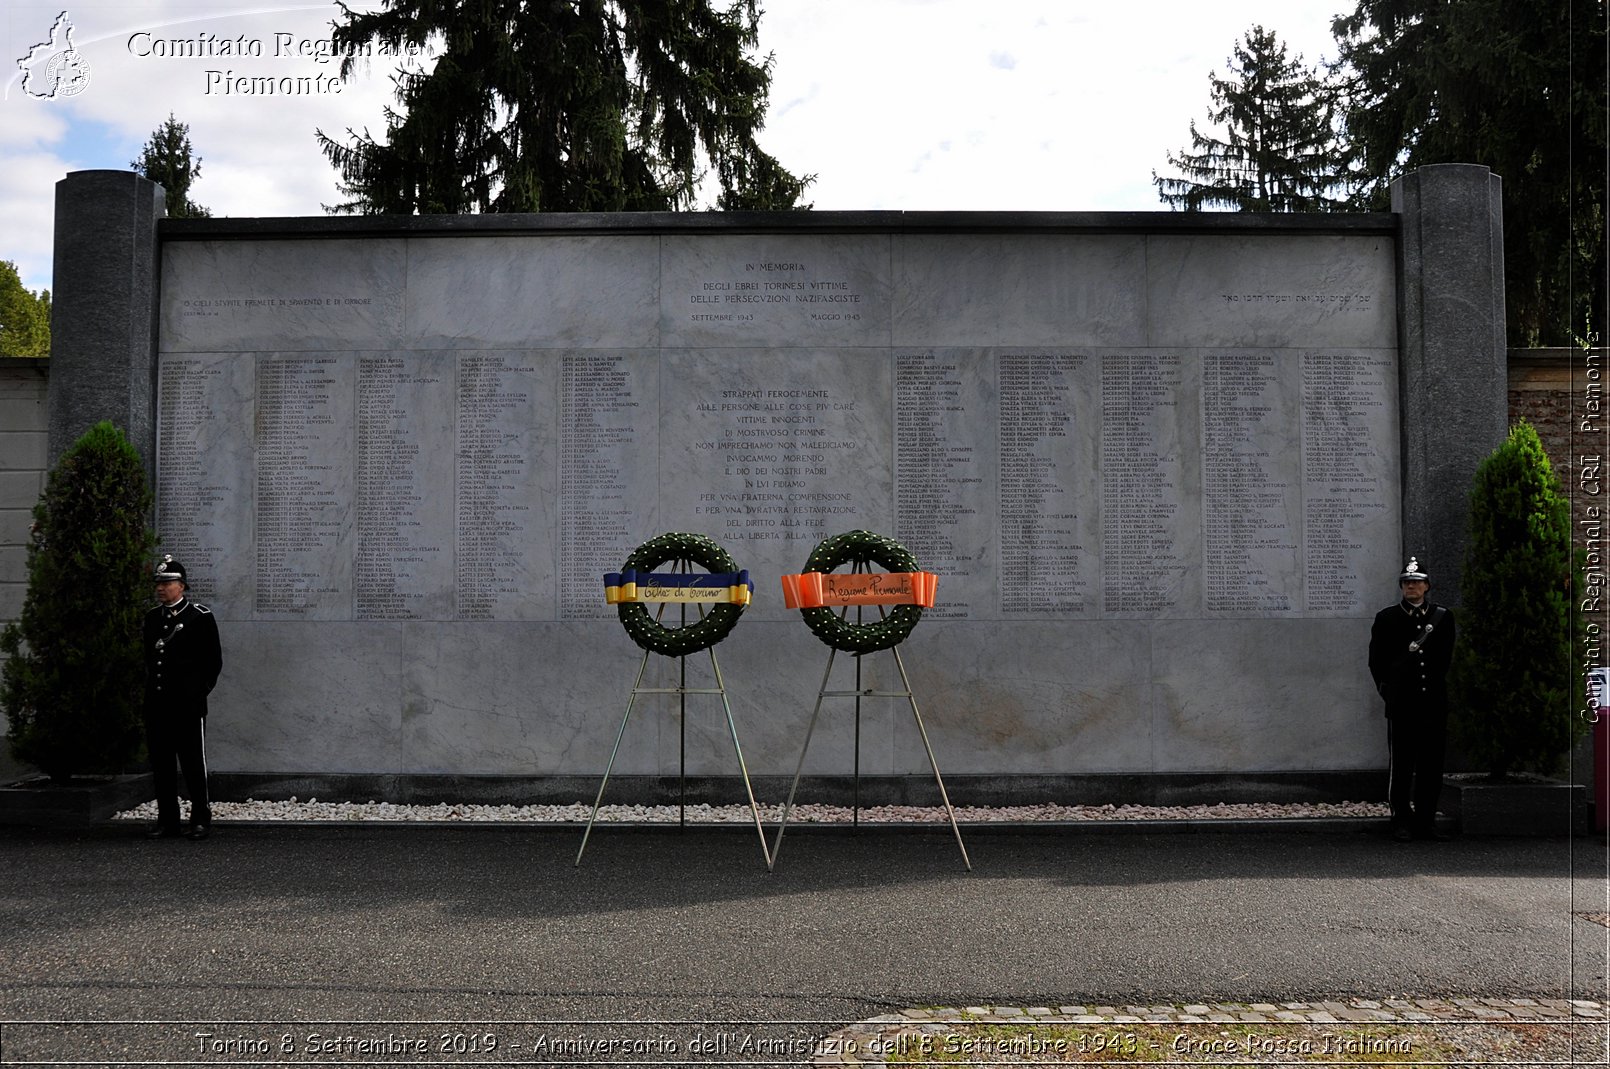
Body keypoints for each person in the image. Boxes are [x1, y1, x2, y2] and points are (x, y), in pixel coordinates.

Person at [1368, 557, 1455, 842]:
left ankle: (1426, 821)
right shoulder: (1387, 618)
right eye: (1407, 583)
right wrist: (1389, 691)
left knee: (1431, 764)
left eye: (1417, 582)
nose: (1412, 587)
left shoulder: (1443, 617)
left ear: (1427, 586)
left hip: (1432, 702)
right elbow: (1377, 661)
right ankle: (1401, 819)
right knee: (1402, 764)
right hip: (1402, 704)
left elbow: (1444, 658)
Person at [142, 555, 223, 841]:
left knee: (192, 764)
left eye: (167, 583)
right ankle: (168, 820)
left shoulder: (199, 617)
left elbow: (213, 662)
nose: (161, 589)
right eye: (159, 584)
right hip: (158, 705)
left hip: (187, 706)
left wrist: (196, 694)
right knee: (162, 765)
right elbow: (150, 661)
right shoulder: (153, 618)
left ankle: (200, 818)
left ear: (182, 586)